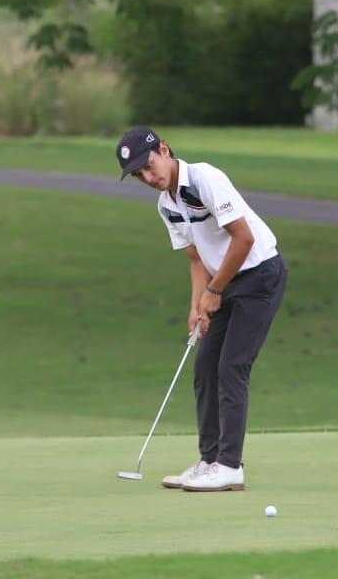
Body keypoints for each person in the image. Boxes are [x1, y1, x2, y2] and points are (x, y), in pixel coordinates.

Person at [115, 127, 287, 492]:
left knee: (231, 367)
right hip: (222, 281)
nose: (148, 177)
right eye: (139, 175)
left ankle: (230, 466)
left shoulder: (205, 178)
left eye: (149, 166)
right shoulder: (166, 205)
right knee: (205, 367)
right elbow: (197, 259)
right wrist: (197, 306)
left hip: (259, 275)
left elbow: (244, 238)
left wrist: (214, 291)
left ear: (164, 150)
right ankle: (210, 461)